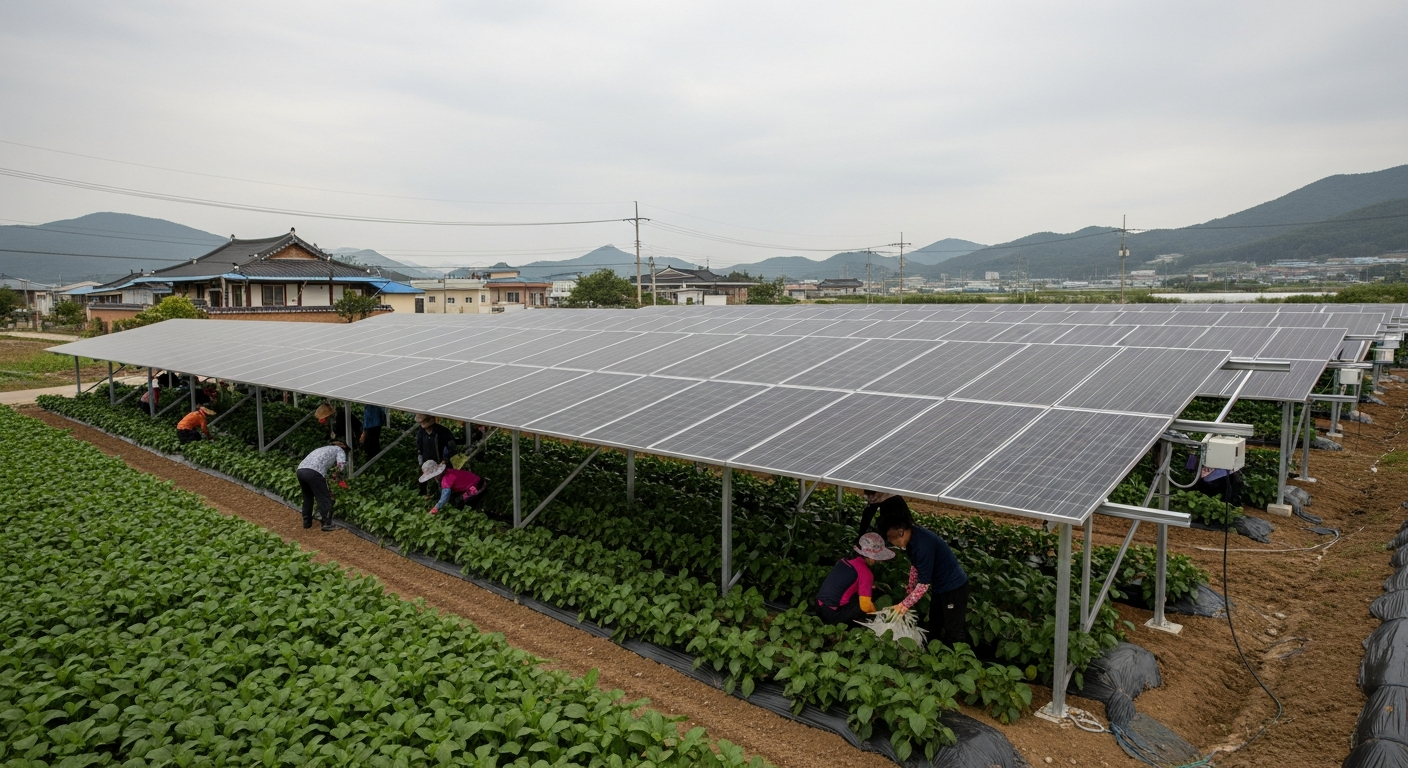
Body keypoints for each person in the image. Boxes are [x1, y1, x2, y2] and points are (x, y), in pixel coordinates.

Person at [876, 497, 970, 647]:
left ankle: (959, 660)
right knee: (934, 623)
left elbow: (924, 584)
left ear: (900, 532)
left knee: (953, 630)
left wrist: (903, 605)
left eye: (890, 538)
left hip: (954, 588)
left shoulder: (923, 546)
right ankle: (931, 653)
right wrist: (909, 590)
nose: (891, 542)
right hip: (940, 587)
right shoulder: (911, 541)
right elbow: (915, 567)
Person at [813, 532, 895, 627]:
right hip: (831, 614)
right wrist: (877, 615)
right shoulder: (865, 573)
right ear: (870, 556)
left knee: (869, 591)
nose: (879, 561)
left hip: (818, 605)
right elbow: (865, 606)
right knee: (865, 606)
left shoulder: (844, 561)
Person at [297, 441, 347, 532]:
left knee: (308, 496)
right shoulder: (339, 449)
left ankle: (307, 522)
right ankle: (327, 524)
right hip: (315, 472)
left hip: (301, 470)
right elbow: (341, 465)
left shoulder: (322, 449)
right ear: (342, 446)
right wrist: (338, 475)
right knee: (324, 497)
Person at [420, 460, 487, 514]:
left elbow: (445, 496)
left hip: (477, 486)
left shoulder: (446, 479)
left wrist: (436, 508)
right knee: (457, 499)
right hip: (477, 481)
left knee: (459, 502)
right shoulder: (448, 471)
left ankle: (472, 515)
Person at [415, 414, 456, 494]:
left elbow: (451, 446)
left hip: (440, 462)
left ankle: (444, 497)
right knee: (426, 481)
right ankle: (426, 495)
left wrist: (445, 460)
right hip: (427, 463)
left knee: (443, 482)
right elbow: (419, 447)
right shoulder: (421, 432)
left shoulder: (442, 431)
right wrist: (420, 459)